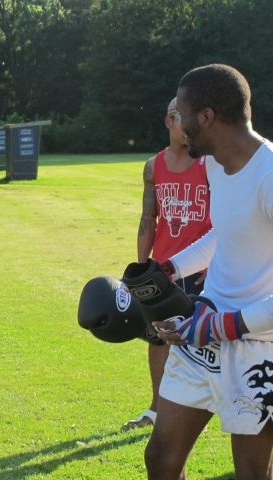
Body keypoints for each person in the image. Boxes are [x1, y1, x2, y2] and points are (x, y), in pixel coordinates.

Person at [143, 64, 273, 480]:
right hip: (204, 330)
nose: (177, 124)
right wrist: (170, 267)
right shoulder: (215, 164)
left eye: (181, 114)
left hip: (258, 346)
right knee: (161, 458)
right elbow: (225, 231)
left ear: (206, 117)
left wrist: (224, 325)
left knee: (251, 472)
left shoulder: (269, 175)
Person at [124, 98, 212, 429]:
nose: (189, 126)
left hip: (202, 270)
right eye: (182, 118)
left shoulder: (209, 163)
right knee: (158, 339)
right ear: (168, 121)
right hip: (163, 269)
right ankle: (156, 409)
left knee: (206, 340)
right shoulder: (153, 167)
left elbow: (224, 222)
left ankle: (208, 407)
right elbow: (148, 218)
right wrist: (141, 269)